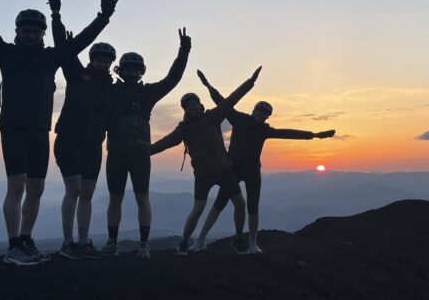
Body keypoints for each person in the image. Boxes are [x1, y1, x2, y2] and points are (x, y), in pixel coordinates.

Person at [0, 0, 114, 265]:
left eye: (36, 31)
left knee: (36, 188)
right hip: (13, 128)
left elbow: (79, 42)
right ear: (18, 32)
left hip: (40, 131)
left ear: (42, 34)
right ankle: (13, 247)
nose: (31, 35)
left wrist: (103, 17)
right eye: (26, 30)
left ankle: (26, 240)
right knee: (16, 186)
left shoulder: (51, 58)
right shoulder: (6, 54)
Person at [190, 70, 335, 254]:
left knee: (252, 207)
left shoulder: (264, 129)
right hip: (231, 169)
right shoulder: (239, 119)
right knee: (219, 203)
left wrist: (314, 135)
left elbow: (288, 133)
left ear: (267, 116)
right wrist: (208, 85)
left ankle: (252, 244)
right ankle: (201, 240)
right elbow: (222, 102)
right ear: (255, 110)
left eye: (266, 113)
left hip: (251, 171)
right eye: (261, 110)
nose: (262, 114)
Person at [150, 67, 262, 256]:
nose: (192, 108)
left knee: (240, 204)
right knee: (199, 208)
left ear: (200, 105)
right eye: (188, 106)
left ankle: (238, 238)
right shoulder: (184, 128)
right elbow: (165, 142)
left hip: (224, 169)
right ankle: (185, 243)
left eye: (195, 104)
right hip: (203, 174)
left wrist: (250, 81)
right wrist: (146, 151)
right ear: (185, 110)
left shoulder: (213, 117)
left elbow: (231, 99)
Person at [102, 29, 191, 259]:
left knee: (142, 197)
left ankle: (143, 244)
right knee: (116, 198)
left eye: (135, 69)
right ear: (121, 71)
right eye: (128, 69)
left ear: (140, 71)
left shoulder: (147, 93)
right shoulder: (110, 91)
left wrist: (183, 52)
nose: (132, 72)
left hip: (139, 153)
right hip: (118, 153)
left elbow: (173, 79)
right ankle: (112, 242)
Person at [50, 0, 119, 259]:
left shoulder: (111, 90)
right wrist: (56, 14)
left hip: (92, 145)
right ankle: (68, 243)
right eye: (99, 59)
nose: (102, 63)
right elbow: (64, 50)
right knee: (74, 190)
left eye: (106, 60)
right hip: (68, 140)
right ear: (91, 59)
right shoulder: (77, 75)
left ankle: (83, 241)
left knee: (88, 193)